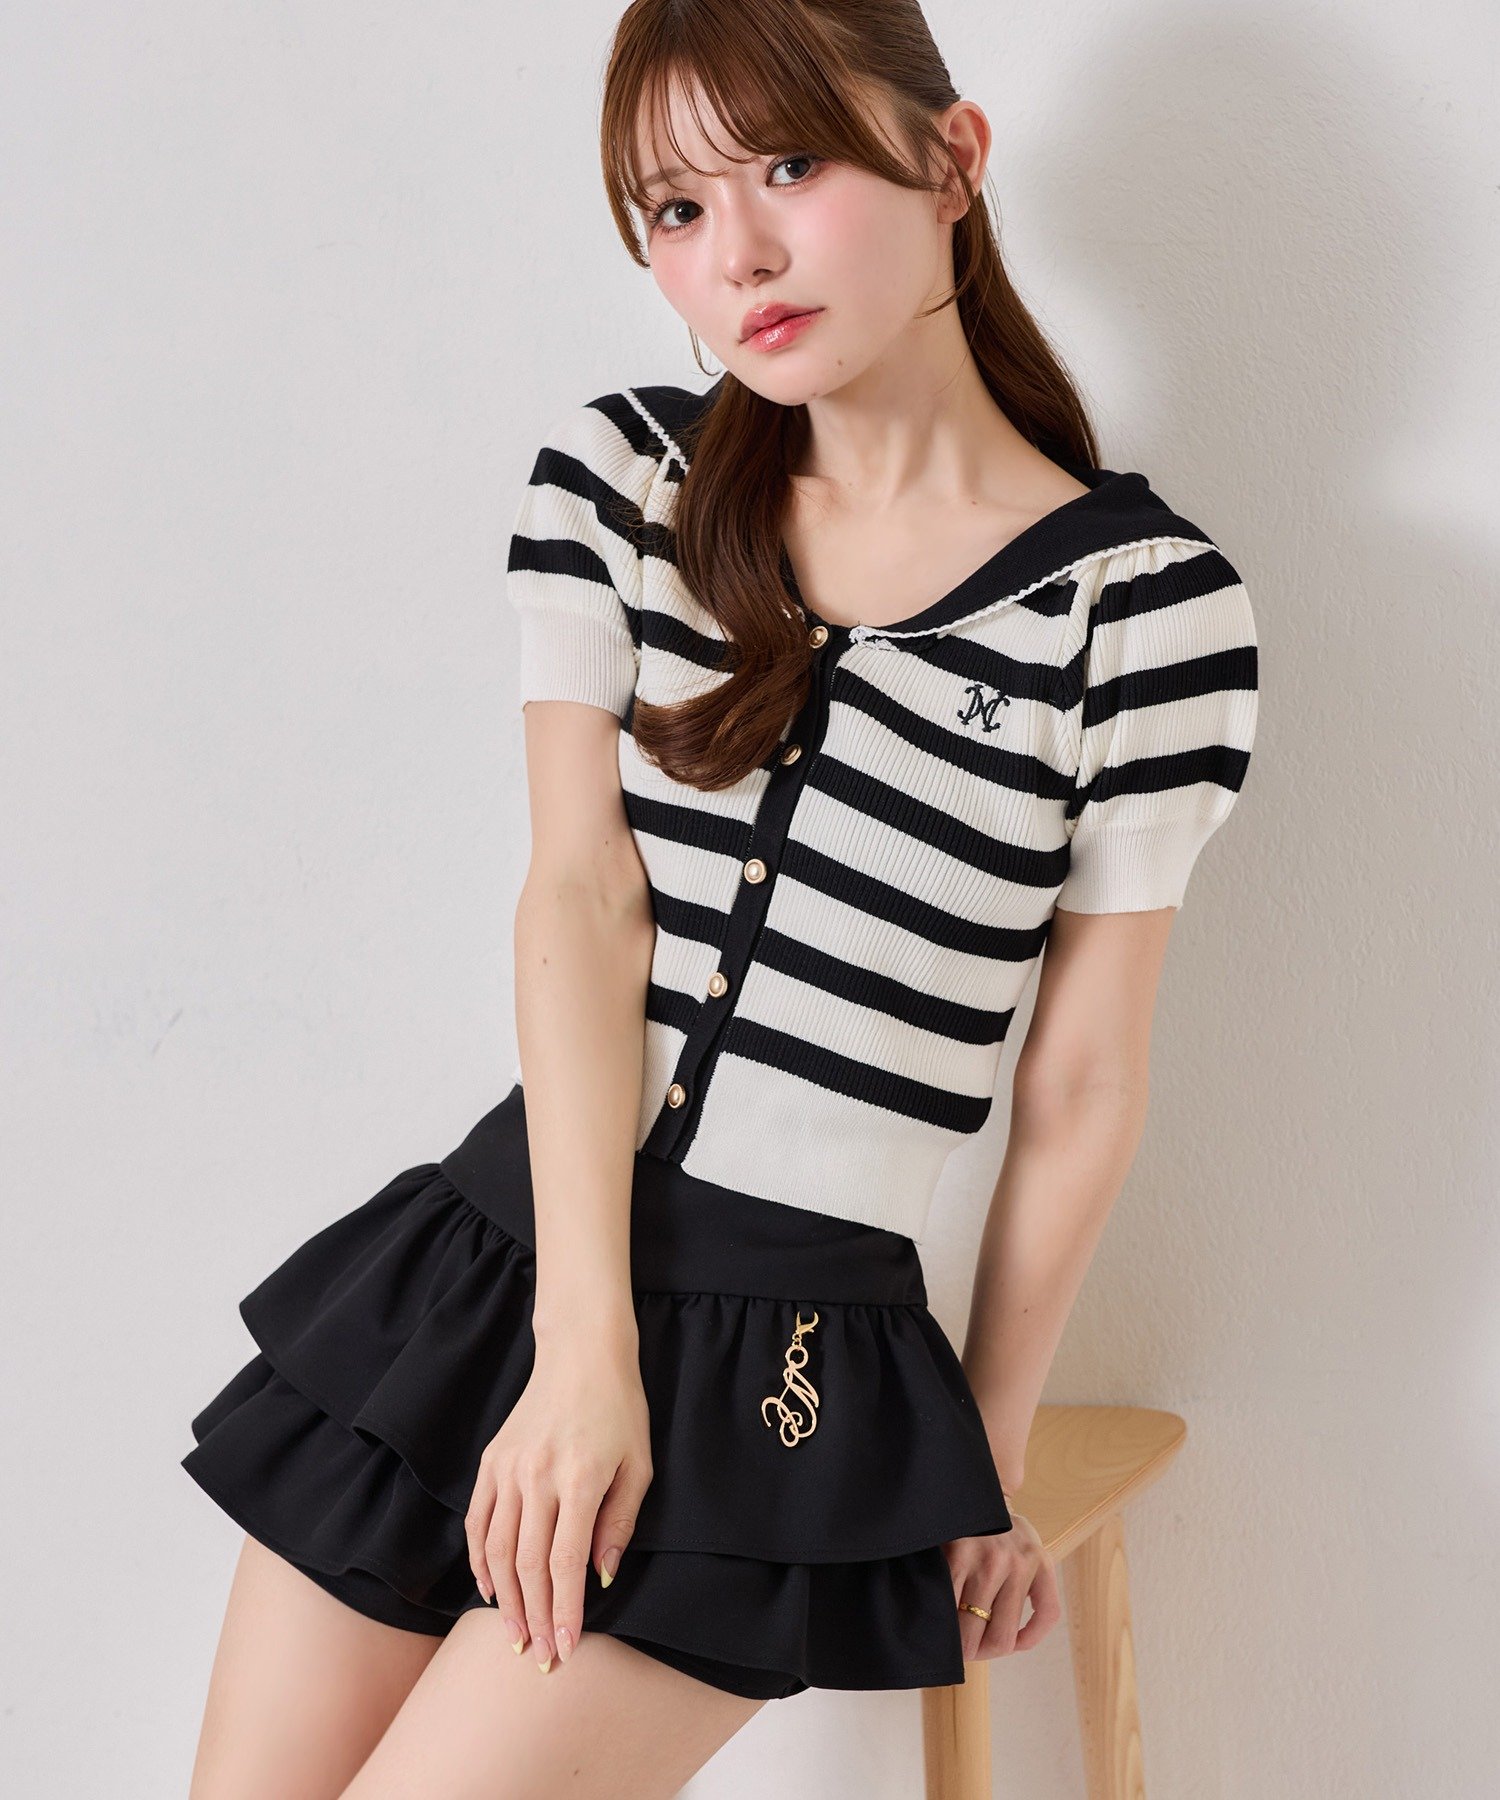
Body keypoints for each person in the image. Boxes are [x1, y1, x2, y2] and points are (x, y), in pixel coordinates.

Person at [181, 2, 1260, 1794]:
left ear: (953, 158)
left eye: (791, 166)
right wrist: (579, 1349)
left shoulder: (1140, 614)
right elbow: (579, 903)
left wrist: (979, 1455)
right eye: (676, 210)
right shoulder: (622, 482)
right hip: (494, 1268)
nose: (738, 253)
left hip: (788, 1358)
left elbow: (1079, 1083)